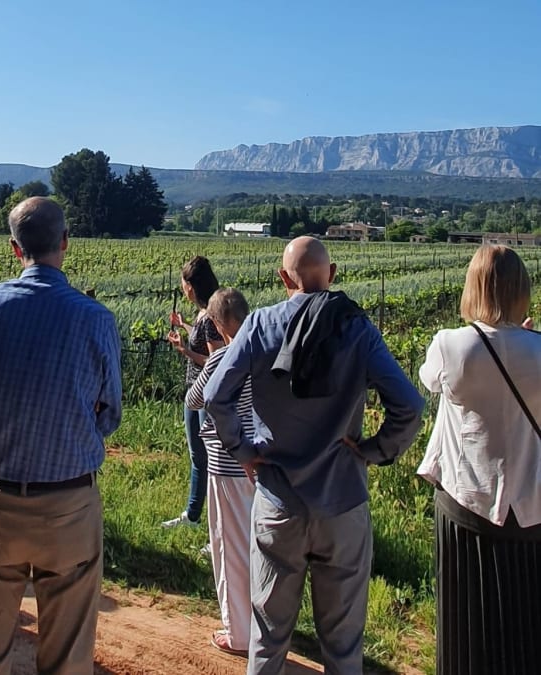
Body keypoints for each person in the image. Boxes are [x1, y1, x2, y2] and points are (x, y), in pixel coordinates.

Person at [204, 236, 424, 674]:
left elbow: (214, 396)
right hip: (343, 502)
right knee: (342, 647)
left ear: (284, 278)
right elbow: (411, 406)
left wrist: (244, 452)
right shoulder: (357, 327)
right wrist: (373, 450)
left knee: (268, 639)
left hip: (278, 502)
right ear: (333, 274)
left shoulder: (259, 325)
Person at [0, 196, 122, 674]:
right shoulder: (95, 318)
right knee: (67, 656)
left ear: (14, 248)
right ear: (65, 242)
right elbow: (110, 413)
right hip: (68, 505)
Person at [417, 245, 541, 675]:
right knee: (525, 624)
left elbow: (430, 380)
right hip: (531, 506)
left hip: (465, 502)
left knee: (465, 625)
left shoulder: (450, 345)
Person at [185, 288, 256, 657]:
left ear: (216, 323)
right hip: (261, 462)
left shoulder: (222, 359)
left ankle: (238, 633)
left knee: (228, 546)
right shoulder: (266, 352)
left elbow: (194, 398)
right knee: (258, 544)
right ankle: (264, 624)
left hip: (226, 463)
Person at [162, 256, 223, 528]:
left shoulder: (210, 316)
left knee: (203, 457)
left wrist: (184, 350)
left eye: (182, 282)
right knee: (198, 456)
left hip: (204, 395)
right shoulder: (204, 314)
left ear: (190, 286)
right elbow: (203, 339)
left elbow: (215, 360)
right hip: (195, 393)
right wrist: (185, 326)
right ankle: (194, 514)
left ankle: (199, 516)